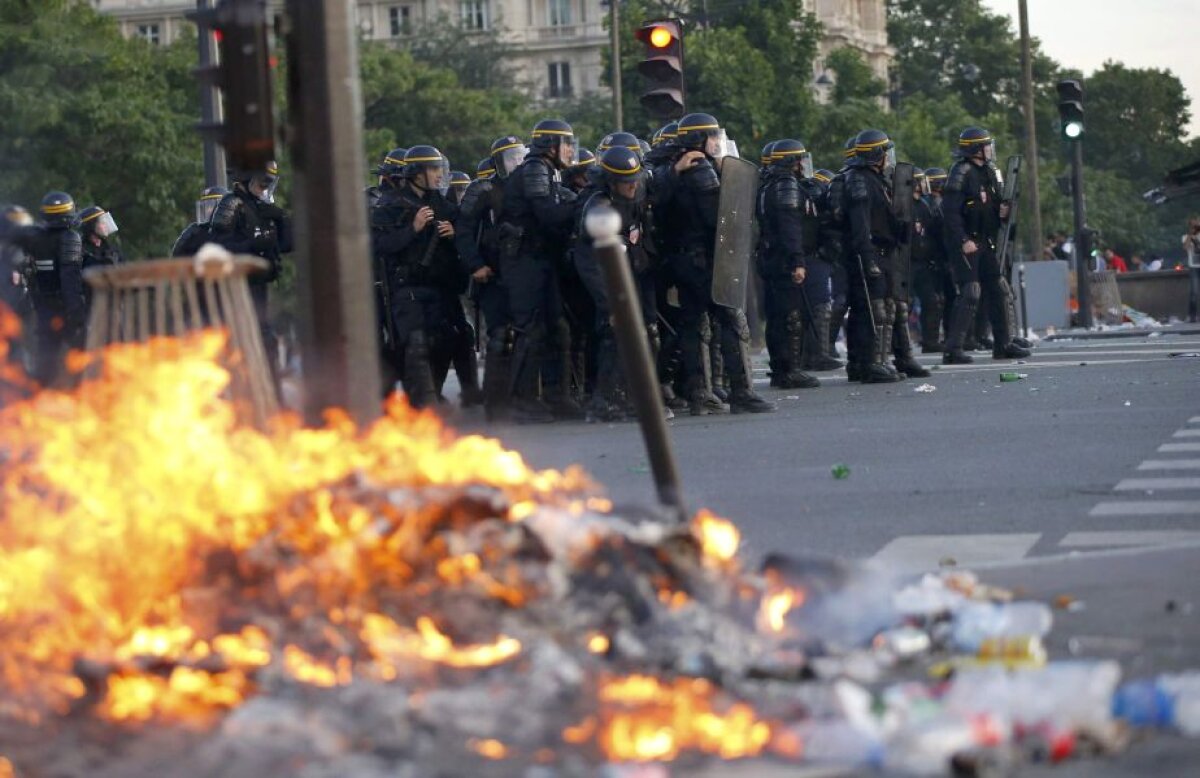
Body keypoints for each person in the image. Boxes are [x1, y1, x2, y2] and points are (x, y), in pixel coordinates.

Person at [652, 112, 774, 415]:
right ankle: (742, 393)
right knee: (733, 321)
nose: (717, 142)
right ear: (699, 139)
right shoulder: (702, 169)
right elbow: (718, 219)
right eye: (713, 136)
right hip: (707, 261)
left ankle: (700, 394)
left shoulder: (671, 169)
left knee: (695, 326)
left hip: (682, 261)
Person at [496, 118, 584, 422]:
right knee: (531, 329)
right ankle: (522, 400)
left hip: (541, 260)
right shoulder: (535, 169)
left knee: (558, 328)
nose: (570, 150)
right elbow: (548, 214)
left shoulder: (548, 171)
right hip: (524, 261)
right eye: (566, 143)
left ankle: (556, 395)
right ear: (550, 145)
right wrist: (582, 203)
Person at [572, 146, 661, 421]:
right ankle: (603, 402)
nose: (633, 186)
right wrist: (608, 302)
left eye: (635, 179)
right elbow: (588, 262)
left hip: (629, 280)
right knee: (614, 339)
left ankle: (626, 397)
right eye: (626, 182)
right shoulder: (599, 209)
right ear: (612, 182)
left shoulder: (634, 196)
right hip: (606, 285)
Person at [369, 145, 457, 409]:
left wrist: (453, 233)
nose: (439, 175)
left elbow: (463, 238)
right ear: (417, 173)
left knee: (442, 342)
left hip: (438, 286)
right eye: (433, 169)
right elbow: (381, 246)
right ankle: (424, 405)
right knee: (415, 343)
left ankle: (432, 394)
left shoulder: (442, 205)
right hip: (405, 287)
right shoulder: (389, 206)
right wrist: (413, 228)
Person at [940, 127, 1030, 364]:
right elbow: (950, 213)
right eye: (987, 146)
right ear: (976, 149)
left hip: (984, 241)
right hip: (966, 242)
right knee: (970, 292)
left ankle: (1003, 345)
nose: (990, 150)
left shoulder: (989, 172)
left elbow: (992, 204)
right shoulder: (960, 172)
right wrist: (963, 240)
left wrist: (1002, 211)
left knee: (998, 289)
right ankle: (953, 349)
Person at [457, 135, 526, 419]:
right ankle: (496, 404)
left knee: (529, 334)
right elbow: (463, 231)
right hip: (493, 273)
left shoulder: (529, 186)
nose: (516, 162)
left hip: (522, 272)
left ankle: (524, 397)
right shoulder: (485, 190)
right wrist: (476, 265)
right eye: (510, 158)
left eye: (519, 156)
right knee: (501, 335)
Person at [210, 161, 294, 387]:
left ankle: (271, 394)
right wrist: (251, 245)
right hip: (237, 288)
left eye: (268, 184)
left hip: (259, 287)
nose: (264, 189)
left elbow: (287, 244)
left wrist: (281, 218)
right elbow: (217, 247)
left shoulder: (263, 209)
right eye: (261, 183)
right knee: (241, 342)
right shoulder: (231, 204)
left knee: (267, 342)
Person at [756, 138, 820, 390]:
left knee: (776, 316)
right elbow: (790, 226)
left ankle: (780, 369)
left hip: (770, 258)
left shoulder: (767, 185)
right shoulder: (786, 186)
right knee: (791, 316)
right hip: (784, 260)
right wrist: (797, 261)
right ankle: (791, 369)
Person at [841, 129, 903, 383]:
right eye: (885, 152)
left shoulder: (877, 180)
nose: (888, 157)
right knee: (871, 310)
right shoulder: (859, 180)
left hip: (883, 252)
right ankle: (869, 363)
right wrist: (868, 259)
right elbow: (861, 226)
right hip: (870, 253)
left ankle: (879, 360)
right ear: (876, 155)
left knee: (884, 308)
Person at [11, 192, 87, 387]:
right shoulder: (69, 237)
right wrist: (77, 312)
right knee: (82, 355)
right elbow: (69, 279)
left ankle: (39, 394)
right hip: (65, 307)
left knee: (46, 357)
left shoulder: (35, 237)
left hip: (43, 305)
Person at [912, 167, 949, 353]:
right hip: (907, 263)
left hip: (924, 262)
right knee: (903, 305)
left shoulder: (923, 206)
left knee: (932, 301)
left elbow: (931, 233)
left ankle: (930, 341)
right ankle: (895, 345)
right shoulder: (902, 207)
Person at [171, 186, 229, 257]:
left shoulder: (235, 230)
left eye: (211, 205)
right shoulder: (196, 231)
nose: (208, 210)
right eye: (206, 206)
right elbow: (176, 256)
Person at [1184, 217, 1200, 322]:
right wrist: (1190, 234)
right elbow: (1185, 247)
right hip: (1193, 267)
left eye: (1196, 225)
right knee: (1194, 293)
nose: (1195, 227)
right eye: (1193, 226)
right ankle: (1192, 316)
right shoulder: (1186, 237)